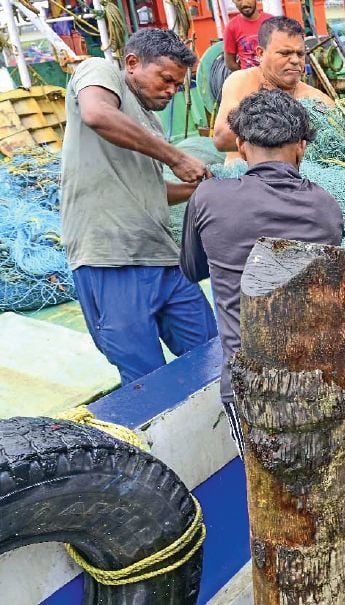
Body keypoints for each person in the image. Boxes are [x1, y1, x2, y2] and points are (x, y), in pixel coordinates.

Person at [179, 89, 345, 605]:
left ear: (238, 142)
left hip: (250, 386)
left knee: (269, 491)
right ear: (301, 146)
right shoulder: (324, 206)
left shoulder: (209, 200)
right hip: (324, 382)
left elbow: (192, 270)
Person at [61, 28, 217, 386]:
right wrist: (176, 157)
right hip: (111, 259)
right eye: (166, 79)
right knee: (147, 380)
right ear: (132, 63)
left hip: (164, 258)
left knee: (211, 353)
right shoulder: (99, 71)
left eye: (178, 86)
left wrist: (197, 190)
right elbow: (97, 114)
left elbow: (148, 191)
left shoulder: (150, 123)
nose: (171, 91)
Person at [214, 16, 334, 163]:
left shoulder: (317, 99)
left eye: (300, 54)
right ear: (260, 53)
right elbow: (222, 138)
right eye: (285, 53)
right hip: (246, 179)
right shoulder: (242, 82)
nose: (296, 60)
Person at [222, 0, 273, 71]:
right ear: (234, 1)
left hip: (274, 77)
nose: (244, 3)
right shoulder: (231, 27)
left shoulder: (271, 21)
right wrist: (245, 74)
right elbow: (229, 63)